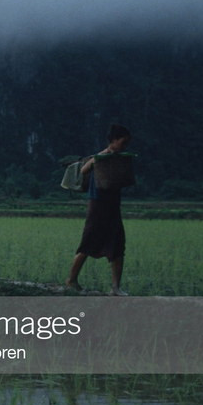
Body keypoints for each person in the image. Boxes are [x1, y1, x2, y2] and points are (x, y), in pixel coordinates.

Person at [66, 124, 132, 295]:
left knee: (118, 244)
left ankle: (116, 288)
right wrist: (97, 159)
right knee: (88, 242)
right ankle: (71, 280)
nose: (125, 146)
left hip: (113, 205)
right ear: (114, 140)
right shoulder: (101, 156)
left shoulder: (120, 158)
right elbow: (83, 169)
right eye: (123, 142)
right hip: (97, 205)